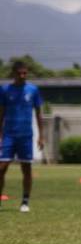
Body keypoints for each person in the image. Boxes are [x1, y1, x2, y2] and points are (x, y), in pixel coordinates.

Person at [0, 60, 44, 213]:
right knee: (2, 168)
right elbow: (1, 113)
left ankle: (25, 201)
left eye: (25, 73)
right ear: (14, 73)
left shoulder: (33, 90)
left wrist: (41, 136)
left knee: (26, 168)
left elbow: (39, 114)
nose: (23, 75)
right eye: (20, 73)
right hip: (8, 135)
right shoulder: (5, 90)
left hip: (26, 136)